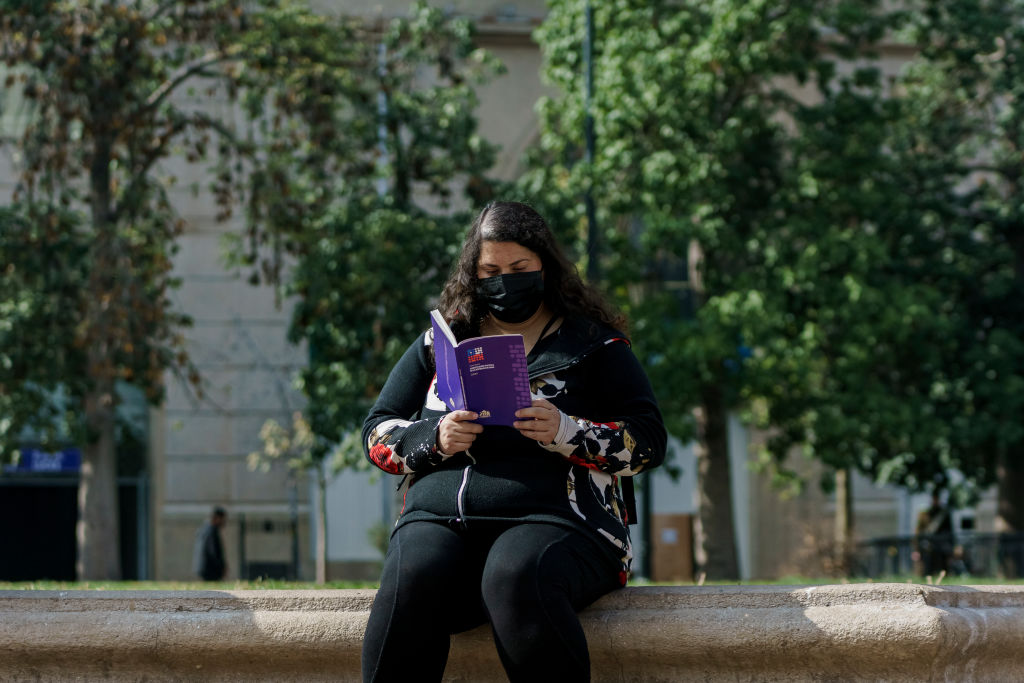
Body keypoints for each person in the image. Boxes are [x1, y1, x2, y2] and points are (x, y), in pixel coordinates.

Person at [360, 201, 667, 682]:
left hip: (559, 522)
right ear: (473, 273)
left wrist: (567, 431)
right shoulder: (441, 341)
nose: (505, 280)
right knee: (412, 574)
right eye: (490, 271)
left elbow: (647, 442)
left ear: (545, 265)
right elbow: (377, 431)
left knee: (514, 574)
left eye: (519, 268)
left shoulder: (593, 345)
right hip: (440, 518)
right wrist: (434, 438)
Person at [913, 492, 953, 577]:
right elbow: (919, 531)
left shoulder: (943, 513)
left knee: (942, 561)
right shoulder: (927, 513)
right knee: (927, 563)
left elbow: (948, 530)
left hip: (940, 543)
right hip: (929, 544)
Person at [193, 506, 228, 581]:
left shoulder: (205, 528)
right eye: (222, 519)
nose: (223, 521)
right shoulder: (211, 530)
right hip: (210, 569)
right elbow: (213, 552)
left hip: (204, 568)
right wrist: (221, 567)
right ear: (217, 518)